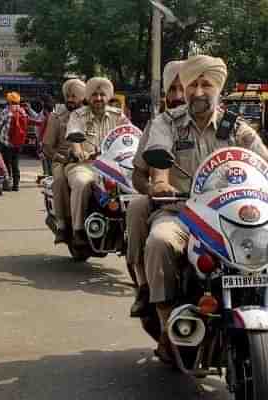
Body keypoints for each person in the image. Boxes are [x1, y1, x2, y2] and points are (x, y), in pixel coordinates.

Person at [142, 55, 268, 363]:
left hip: (232, 218)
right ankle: (167, 323)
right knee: (160, 242)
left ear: (218, 89)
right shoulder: (166, 123)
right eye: (192, 84)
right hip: (181, 213)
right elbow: (157, 160)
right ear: (183, 89)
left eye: (206, 84)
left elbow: (262, 163)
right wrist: (159, 182)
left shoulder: (236, 127)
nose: (199, 91)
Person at [127, 60, 185, 317]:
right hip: (172, 208)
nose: (179, 96)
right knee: (141, 211)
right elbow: (139, 174)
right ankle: (147, 289)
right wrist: (154, 187)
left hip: (219, 213)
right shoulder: (159, 125)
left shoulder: (232, 126)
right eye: (172, 90)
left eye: (185, 88)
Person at [64, 77, 129, 246]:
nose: (98, 98)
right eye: (94, 95)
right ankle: (77, 230)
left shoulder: (118, 115)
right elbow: (74, 136)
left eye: (102, 94)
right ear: (87, 97)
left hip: (113, 167)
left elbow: (130, 133)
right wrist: (79, 152)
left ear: (108, 96)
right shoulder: (77, 115)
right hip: (84, 165)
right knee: (82, 182)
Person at [42, 79, 86, 243]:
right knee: (60, 180)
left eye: (74, 96)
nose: (70, 99)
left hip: (87, 160)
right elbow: (47, 146)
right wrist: (60, 158)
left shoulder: (90, 115)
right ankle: (61, 224)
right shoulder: (56, 117)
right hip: (61, 160)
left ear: (82, 97)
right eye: (68, 96)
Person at [0, 91, 28, 191]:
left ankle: (7, 184)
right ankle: (16, 185)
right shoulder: (23, 111)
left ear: (9, 101)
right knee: (15, 163)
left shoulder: (6, 111)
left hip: (6, 142)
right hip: (18, 143)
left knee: (6, 163)